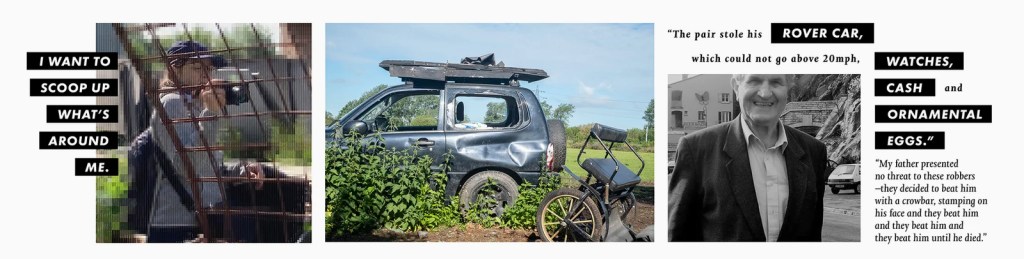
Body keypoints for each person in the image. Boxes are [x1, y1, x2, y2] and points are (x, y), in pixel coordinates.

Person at [668, 74, 828, 242]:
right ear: (736, 87)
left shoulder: (814, 151)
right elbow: (678, 237)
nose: (765, 93)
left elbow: (813, 234)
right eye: (754, 81)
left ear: (788, 89)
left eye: (775, 82)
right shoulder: (696, 149)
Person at [146, 40, 265, 243]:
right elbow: (189, 167)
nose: (206, 74)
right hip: (178, 225)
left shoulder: (193, 104)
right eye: (197, 67)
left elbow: (208, 166)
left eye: (209, 69)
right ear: (174, 69)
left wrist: (239, 169)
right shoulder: (172, 103)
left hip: (200, 219)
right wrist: (210, 113)